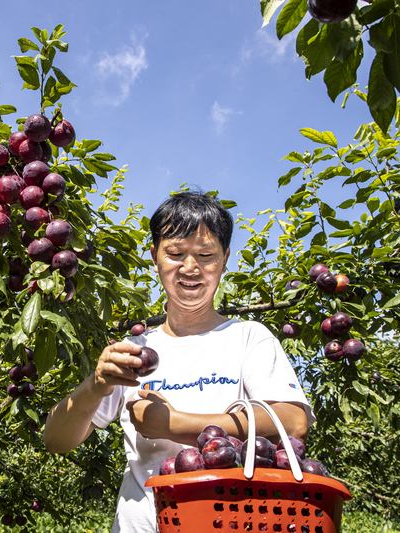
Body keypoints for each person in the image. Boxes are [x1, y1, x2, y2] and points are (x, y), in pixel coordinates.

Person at [43, 191, 313, 532]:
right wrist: (96, 385)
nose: (190, 268)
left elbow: (292, 423)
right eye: (175, 253)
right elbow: (55, 439)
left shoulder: (248, 338)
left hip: (228, 521)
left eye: (205, 255)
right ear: (155, 256)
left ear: (225, 258)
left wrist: (173, 424)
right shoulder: (134, 350)